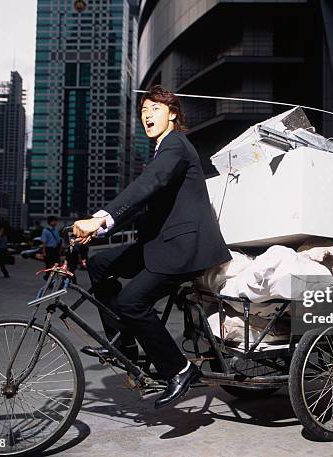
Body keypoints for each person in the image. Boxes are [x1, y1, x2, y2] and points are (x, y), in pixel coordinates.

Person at [73, 85, 231, 409]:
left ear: (172, 114)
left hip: (184, 248)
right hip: (159, 243)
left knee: (132, 301)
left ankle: (180, 369)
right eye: (144, 112)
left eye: (155, 110)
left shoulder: (175, 146)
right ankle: (125, 349)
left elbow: (149, 185)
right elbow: (146, 204)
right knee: (101, 265)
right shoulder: (162, 152)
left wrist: (100, 219)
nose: (147, 116)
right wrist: (102, 230)